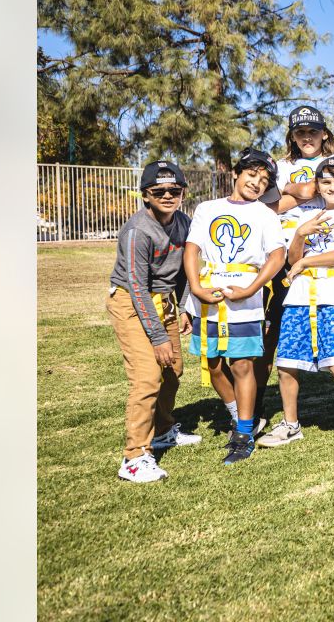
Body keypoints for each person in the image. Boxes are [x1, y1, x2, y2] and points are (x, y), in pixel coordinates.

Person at [257, 159, 334, 458]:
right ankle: (290, 423)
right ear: (318, 186)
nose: (333, 186)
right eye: (326, 181)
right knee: (287, 362)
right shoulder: (308, 213)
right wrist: (300, 234)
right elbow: (291, 257)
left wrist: (306, 261)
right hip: (299, 295)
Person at [182, 148, 286, 465]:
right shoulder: (207, 208)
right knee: (213, 365)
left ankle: (243, 434)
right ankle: (240, 414)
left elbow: (277, 256)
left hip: (245, 298)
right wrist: (197, 289)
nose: (256, 183)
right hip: (208, 297)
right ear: (236, 174)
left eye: (264, 180)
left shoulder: (265, 214)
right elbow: (192, 249)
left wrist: (251, 288)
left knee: (241, 365)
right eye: (252, 175)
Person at [109, 160, 201, 482]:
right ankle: (134, 458)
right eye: (158, 191)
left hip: (166, 301)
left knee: (173, 371)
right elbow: (136, 285)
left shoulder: (184, 222)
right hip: (133, 301)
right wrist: (157, 336)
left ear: (182, 192)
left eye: (173, 190)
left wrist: (186, 307)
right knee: (147, 377)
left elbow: (191, 267)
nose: (167, 195)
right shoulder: (137, 231)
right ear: (146, 194)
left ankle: (163, 430)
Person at [258, 106, 334, 423]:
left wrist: (289, 190)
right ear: (292, 137)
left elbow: (319, 193)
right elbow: (271, 206)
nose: (307, 137)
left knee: (325, 332)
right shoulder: (281, 166)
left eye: (313, 131)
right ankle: (256, 405)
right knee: (271, 333)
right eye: (300, 132)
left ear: (325, 134)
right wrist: (295, 189)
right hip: (281, 253)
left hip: (320, 253)